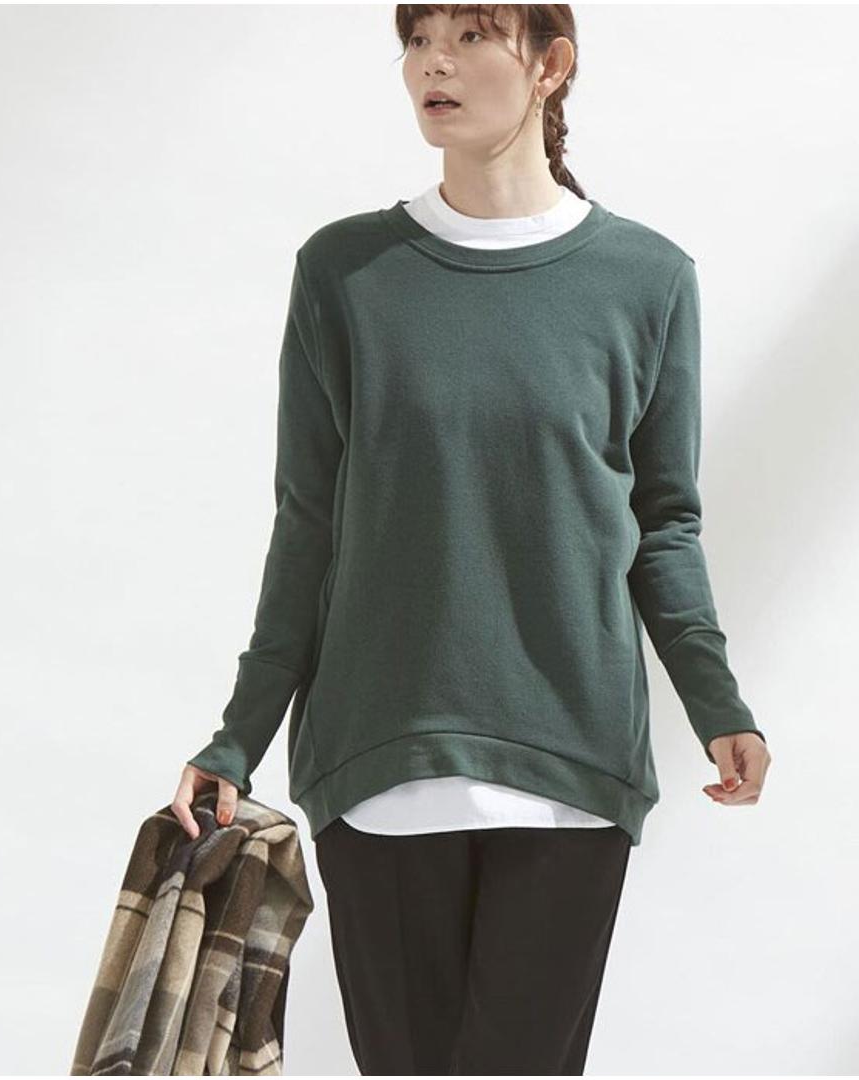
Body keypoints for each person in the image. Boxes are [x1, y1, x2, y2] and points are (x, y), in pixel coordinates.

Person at [172, 4, 772, 1074]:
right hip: (379, 757)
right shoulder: (347, 272)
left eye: (469, 36)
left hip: (571, 761)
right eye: (416, 40)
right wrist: (236, 739)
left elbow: (663, 523)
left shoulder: (646, 280)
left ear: (551, 65)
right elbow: (308, 523)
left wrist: (716, 704)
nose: (432, 63)